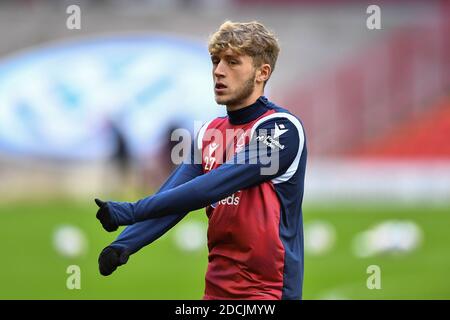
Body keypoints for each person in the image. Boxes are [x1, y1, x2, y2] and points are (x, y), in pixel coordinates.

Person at [94, 20, 307, 300]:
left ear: (261, 73)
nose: (219, 71)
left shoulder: (280, 130)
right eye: (215, 61)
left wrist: (131, 210)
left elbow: (211, 187)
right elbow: (174, 197)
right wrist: (125, 243)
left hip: (267, 293)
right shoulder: (209, 132)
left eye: (232, 62)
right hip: (216, 290)